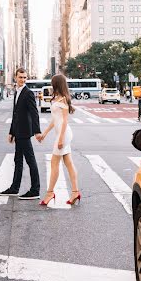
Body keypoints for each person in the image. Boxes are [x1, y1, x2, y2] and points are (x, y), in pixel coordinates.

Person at [0, 67, 42, 200]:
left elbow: (35, 113)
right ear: (15, 77)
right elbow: (15, 114)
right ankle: (14, 188)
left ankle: (35, 190)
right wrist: (11, 132)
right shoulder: (17, 92)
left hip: (25, 133)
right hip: (18, 132)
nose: (22, 80)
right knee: (18, 160)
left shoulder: (28, 92)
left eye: (24, 77)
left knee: (30, 161)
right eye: (20, 77)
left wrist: (37, 131)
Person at [38, 74, 80, 206]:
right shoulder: (56, 98)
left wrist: (61, 139)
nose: (51, 85)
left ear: (57, 84)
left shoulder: (63, 99)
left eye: (53, 83)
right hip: (61, 134)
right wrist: (45, 133)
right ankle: (75, 192)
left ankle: (50, 192)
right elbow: (55, 120)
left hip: (64, 134)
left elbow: (65, 121)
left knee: (54, 163)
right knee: (68, 163)